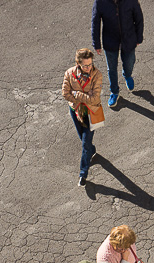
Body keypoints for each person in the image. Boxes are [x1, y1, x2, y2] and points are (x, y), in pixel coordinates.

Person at [62, 48, 103, 187]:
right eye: (85, 65)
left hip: (91, 112)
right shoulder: (69, 73)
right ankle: (92, 150)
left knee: (85, 143)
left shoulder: (97, 75)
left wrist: (78, 95)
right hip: (75, 111)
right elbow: (65, 93)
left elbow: (94, 98)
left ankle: (83, 173)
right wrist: (85, 96)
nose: (88, 68)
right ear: (78, 63)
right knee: (84, 140)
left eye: (90, 64)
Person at [91, 0, 144, 108]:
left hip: (128, 39)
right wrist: (96, 44)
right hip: (110, 41)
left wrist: (139, 37)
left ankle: (127, 75)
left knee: (130, 62)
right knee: (112, 69)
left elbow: (139, 18)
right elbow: (95, 22)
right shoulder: (100, 2)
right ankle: (114, 92)